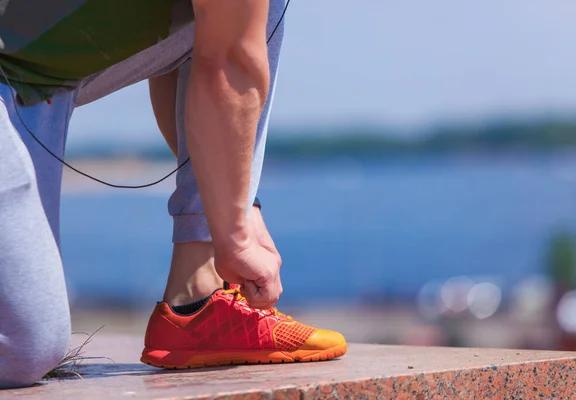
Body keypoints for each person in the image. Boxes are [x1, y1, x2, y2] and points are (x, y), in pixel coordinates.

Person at [0, 0, 346, 389]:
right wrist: (234, 235)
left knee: (243, 12)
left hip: (29, 75)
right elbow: (233, 57)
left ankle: (197, 295)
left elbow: (175, 24)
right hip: (20, 70)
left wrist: (240, 205)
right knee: (21, 349)